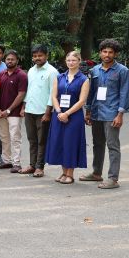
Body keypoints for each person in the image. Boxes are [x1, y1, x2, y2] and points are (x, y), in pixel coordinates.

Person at [81, 38, 129, 189]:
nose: (107, 54)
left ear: (115, 54)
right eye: (104, 51)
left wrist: (120, 114)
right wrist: (88, 111)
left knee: (112, 145)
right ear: (100, 53)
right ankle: (96, 173)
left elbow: (125, 93)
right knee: (97, 144)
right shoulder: (94, 70)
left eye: (110, 52)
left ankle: (113, 178)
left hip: (112, 113)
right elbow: (91, 92)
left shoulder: (122, 71)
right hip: (96, 112)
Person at [44, 51, 89, 184]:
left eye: (74, 60)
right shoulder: (59, 77)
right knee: (61, 143)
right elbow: (54, 96)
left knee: (71, 143)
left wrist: (67, 113)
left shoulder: (84, 80)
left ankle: (70, 174)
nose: (70, 63)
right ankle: (63, 173)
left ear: (79, 61)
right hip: (58, 115)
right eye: (68, 60)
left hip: (74, 117)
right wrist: (58, 112)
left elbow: (82, 101)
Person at [20, 44, 58, 178]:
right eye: (35, 56)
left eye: (40, 55)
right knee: (32, 139)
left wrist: (48, 112)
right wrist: (24, 107)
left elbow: (53, 94)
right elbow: (29, 90)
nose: (37, 58)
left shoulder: (52, 72)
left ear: (46, 56)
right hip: (30, 110)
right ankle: (32, 165)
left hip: (43, 112)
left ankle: (39, 167)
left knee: (42, 140)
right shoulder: (31, 70)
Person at [0, 50, 28, 173]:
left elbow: (21, 94)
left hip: (14, 113)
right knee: (4, 137)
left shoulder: (21, 75)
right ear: (5, 60)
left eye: (12, 59)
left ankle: (16, 163)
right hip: (1, 112)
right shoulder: (1, 74)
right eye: (8, 59)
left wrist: (9, 110)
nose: (10, 61)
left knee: (15, 137)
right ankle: (7, 161)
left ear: (17, 61)